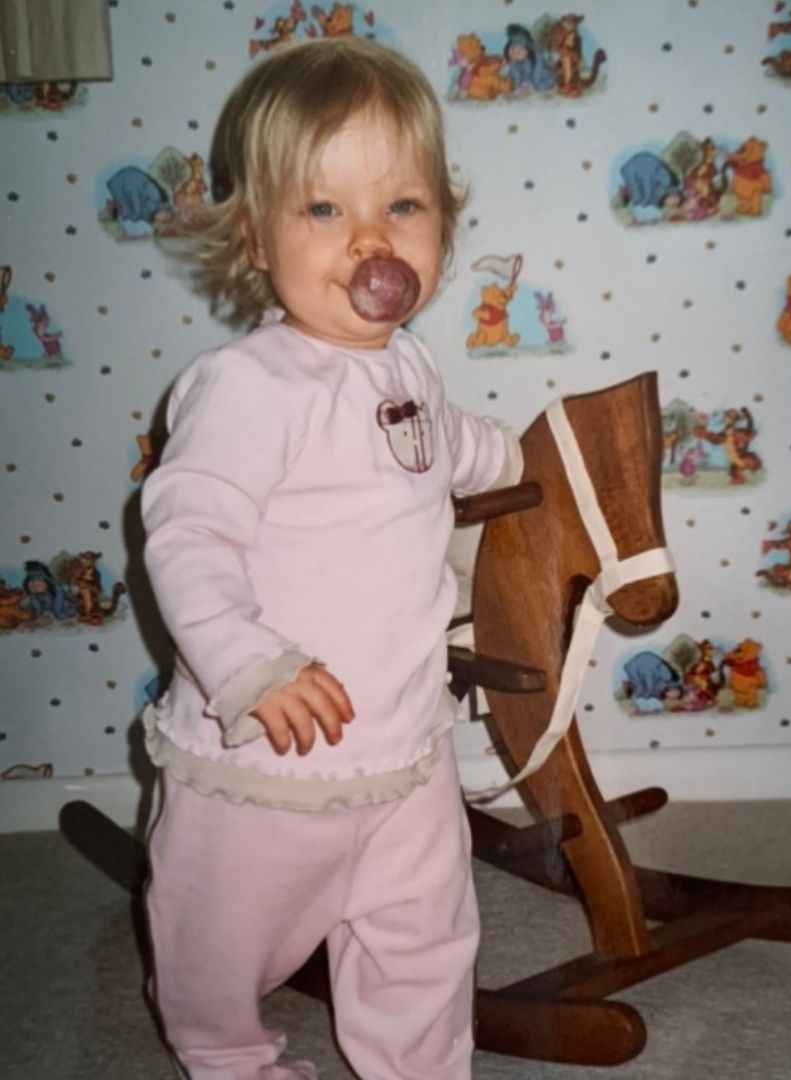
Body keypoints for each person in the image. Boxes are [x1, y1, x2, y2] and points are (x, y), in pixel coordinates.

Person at [141, 37, 519, 1080]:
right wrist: (248, 661)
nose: (369, 240)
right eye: (323, 211)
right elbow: (188, 529)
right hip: (267, 744)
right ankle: (227, 1054)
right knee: (214, 937)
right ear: (257, 239)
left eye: (402, 206)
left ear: (438, 223)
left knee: (425, 933)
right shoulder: (250, 386)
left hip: (402, 742)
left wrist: (524, 454)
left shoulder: (409, 366)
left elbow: (450, 447)